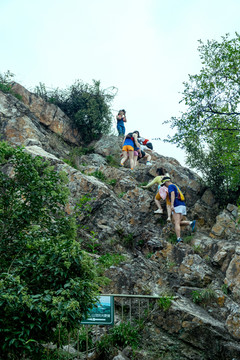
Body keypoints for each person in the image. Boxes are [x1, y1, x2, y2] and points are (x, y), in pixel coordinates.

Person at [160, 176, 196, 243]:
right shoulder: (176, 186)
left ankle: (178, 238)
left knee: (176, 223)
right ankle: (191, 223)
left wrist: (172, 205)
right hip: (182, 205)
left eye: (164, 184)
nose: (165, 186)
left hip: (177, 205)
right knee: (177, 222)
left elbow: (172, 194)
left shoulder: (170, 186)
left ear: (167, 181)